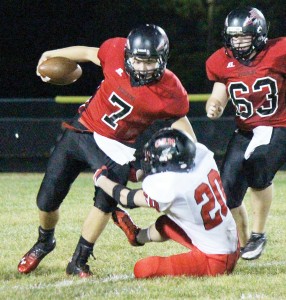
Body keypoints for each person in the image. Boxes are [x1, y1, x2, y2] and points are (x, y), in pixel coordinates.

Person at [17, 24, 197, 277]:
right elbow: (90, 53)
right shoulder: (114, 50)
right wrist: (52, 53)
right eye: (138, 60)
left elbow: (179, 119)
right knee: (46, 201)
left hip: (119, 148)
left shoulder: (170, 90)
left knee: (103, 203)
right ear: (127, 54)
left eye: (150, 61)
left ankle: (78, 259)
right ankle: (45, 240)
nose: (144, 67)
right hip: (83, 131)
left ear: (163, 59)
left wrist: (193, 150)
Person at [93, 128, 240, 278]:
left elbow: (127, 198)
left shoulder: (172, 187)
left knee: (143, 269)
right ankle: (137, 236)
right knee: (165, 223)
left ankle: (140, 239)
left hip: (216, 260)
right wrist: (138, 175)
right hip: (230, 241)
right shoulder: (202, 156)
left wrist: (100, 179)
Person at [205, 6, 286, 260]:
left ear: (259, 34)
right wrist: (215, 103)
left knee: (258, 166)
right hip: (245, 130)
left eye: (244, 36)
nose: (238, 42)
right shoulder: (221, 60)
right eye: (233, 37)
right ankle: (243, 244)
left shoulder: (279, 51)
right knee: (226, 191)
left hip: (277, 124)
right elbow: (222, 87)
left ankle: (259, 234)